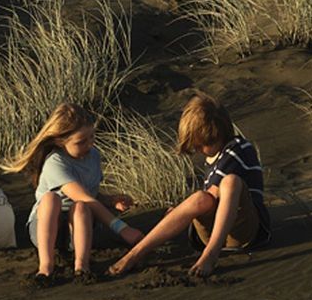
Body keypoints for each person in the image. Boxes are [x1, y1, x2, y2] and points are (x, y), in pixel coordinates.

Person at [109, 92, 270, 279]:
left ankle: (211, 254)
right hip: (213, 232)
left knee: (230, 182)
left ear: (217, 134)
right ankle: (136, 253)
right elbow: (207, 200)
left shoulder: (239, 148)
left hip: (244, 231)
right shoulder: (214, 156)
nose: (199, 150)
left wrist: (182, 210)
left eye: (201, 145)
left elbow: (216, 193)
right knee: (200, 198)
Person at [3, 102, 143, 285]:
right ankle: (45, 267)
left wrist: (110, 200)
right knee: (51, 199)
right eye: (81, 142)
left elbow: (90, 194)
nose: (89, 144)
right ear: (60, 141)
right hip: (45, 229)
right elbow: (83, 196)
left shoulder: (93, 156)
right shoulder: (55, 162)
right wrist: (123, 229)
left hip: (78, 230)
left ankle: (82, 266)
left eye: (92, 137)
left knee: (81, 207)